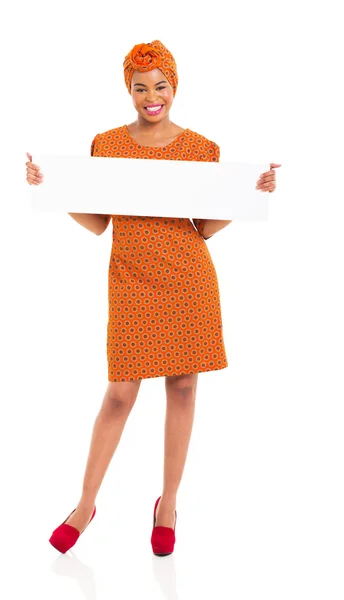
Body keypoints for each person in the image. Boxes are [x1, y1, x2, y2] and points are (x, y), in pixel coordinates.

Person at [25, 39, 280, 557]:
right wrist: (51, 189)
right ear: (129, 91)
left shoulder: (202, 148)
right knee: (120, 394)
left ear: (174, 87)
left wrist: (250, 195)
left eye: (160, 86)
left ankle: (168, 507)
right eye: (141, 88)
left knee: (182, 388)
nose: (151, 96)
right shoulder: (106, 143)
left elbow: (204, 227)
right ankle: (84, 506)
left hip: (188, 281)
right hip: (130, 281)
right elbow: (99, 223)